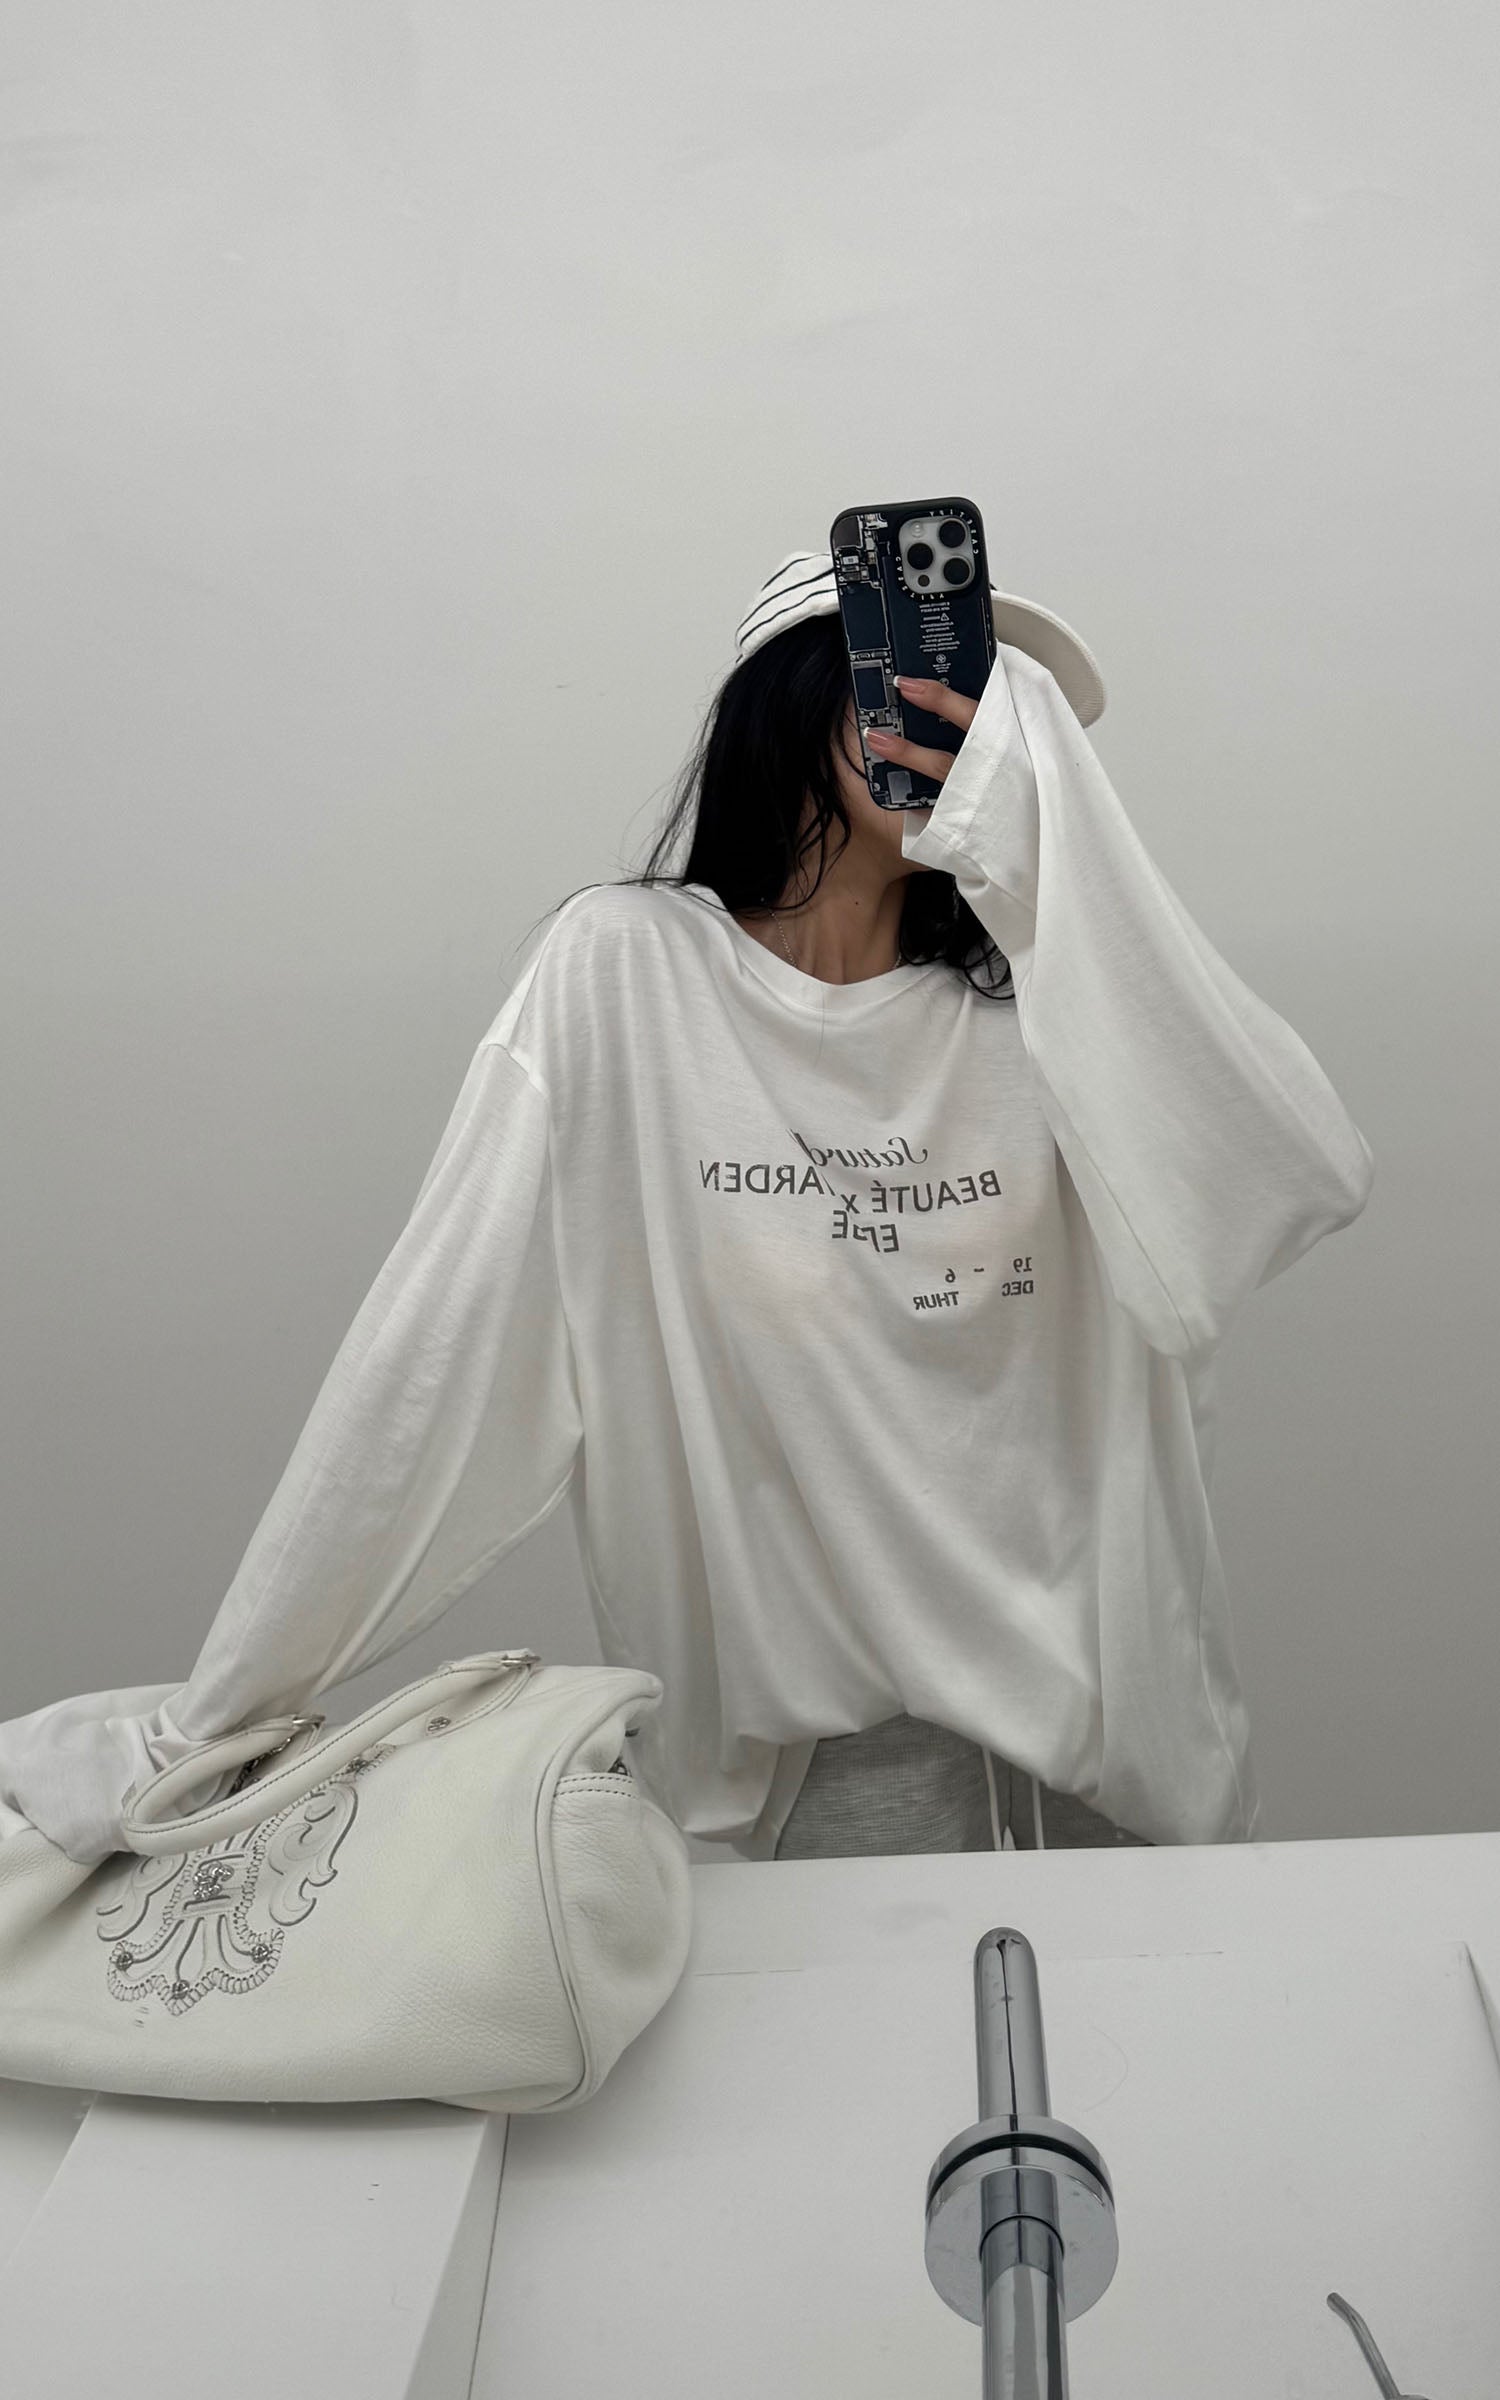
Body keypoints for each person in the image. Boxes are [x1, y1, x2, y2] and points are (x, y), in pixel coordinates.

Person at [0, 548, 1375, 1867]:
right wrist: (211, 1724)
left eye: (988, 700)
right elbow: (431, 1361)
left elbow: (1294, 1176)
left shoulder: (1054, 1020)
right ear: (797, 699)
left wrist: (1048, 869)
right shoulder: (627, 978)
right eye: (909, 675)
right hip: (819, 1782)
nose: (949, 719)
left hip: (1122, 1763)